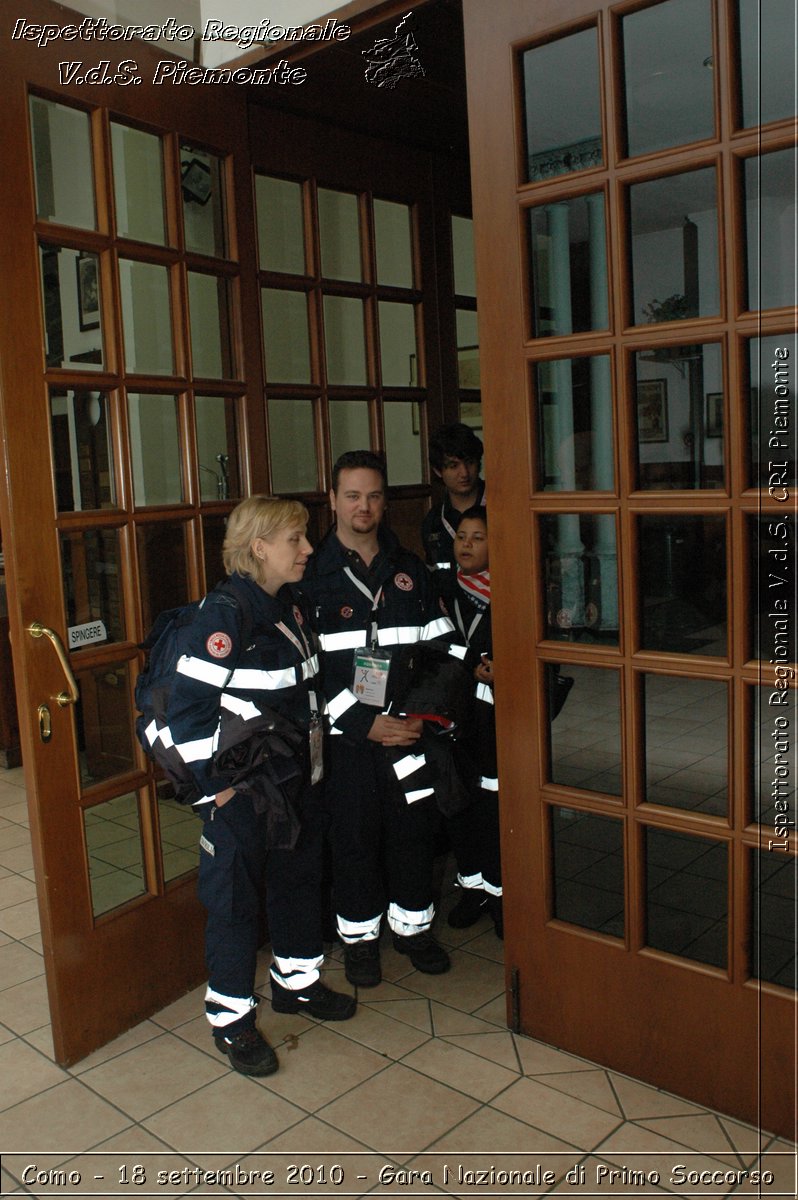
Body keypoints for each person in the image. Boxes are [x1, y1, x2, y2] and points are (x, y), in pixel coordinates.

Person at [165, 496, 356, 1078]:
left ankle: (296, 983)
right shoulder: (223, 617)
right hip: (243, 795)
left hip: (295, 783)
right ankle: (231, 1022)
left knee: (299, 883)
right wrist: (211, 792)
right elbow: (182, 715)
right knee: (234, 905)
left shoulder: (287, 604)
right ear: (259, 548)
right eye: (295, 540)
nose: (307, 549)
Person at [300, 451, 457, 988]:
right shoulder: (309, 577)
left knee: (413, 832)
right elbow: (305, 672)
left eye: (373, 496)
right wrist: (362, 723)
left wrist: (415, 716)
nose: (363, 506)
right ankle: (360, 941)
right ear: (333, 500)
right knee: (353, 838)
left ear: (385, 501)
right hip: (348, 741)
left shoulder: (410, 569)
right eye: (352, 495)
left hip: (408, 736)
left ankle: (414, 929)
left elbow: (445, 651)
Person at [442, 506, 503, 937]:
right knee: (459, 798)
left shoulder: (513, 588)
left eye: (478, 537)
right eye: (461, 535)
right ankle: (472, 888)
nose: (466, 544)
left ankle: (503, 895)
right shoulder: (440, 588)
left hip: (496, 715)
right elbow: (430, 640)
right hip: (451, 712)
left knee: (495, 803)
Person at [421, 422, 486, 573]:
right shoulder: (433, 522)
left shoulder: (502, 506)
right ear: (438, 471)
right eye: (453, 466)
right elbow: (435, 568)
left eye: (469, 462)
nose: (464, 473)